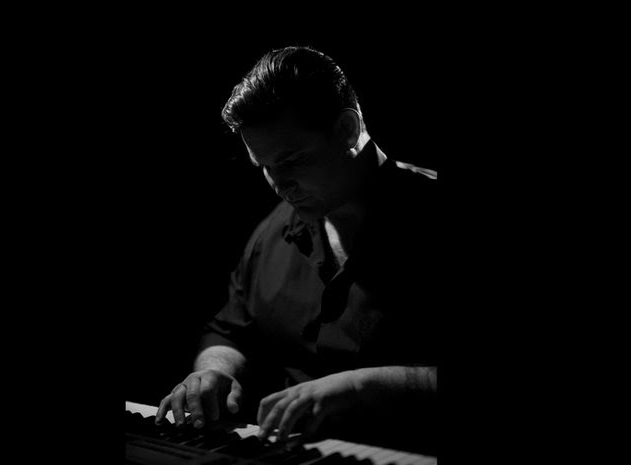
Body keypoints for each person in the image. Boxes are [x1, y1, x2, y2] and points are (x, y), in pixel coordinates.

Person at [155, 46, 439, 453]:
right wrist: (216, 370)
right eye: (265, 167)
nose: (279, 185)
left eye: (291, 161)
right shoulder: (274, 229)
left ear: (346, 129)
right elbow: (231, 331)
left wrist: (363, 386)